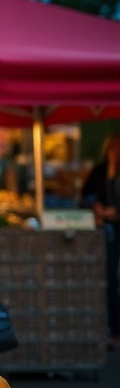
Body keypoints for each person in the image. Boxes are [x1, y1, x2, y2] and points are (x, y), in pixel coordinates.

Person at [82, 133, 120, 351]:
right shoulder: (100, 171)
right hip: (106, 231)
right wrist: (98, 209)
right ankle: (113, 330)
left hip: (114, 226)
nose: (115, 154)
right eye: (112, 149)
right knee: (109, 280)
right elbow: (85, 195)